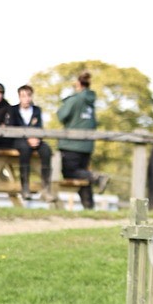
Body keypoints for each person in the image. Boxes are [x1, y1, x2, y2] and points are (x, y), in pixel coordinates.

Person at [57, 71, 106, 209]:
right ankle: (89, 207)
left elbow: (62, 116)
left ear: (78, 84)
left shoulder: (75, 99)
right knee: (83, 177)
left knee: (69, 172)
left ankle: (97, 177)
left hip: (71, 145)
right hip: (87, 146)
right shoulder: (91, 102)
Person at [8, 85, 52, 199]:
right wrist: (27, 138)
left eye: (28, 96)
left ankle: (46, 188)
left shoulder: (37, 110)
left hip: (35, 140)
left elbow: (39, 127)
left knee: (47, 150)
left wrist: (37, 139)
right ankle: (25, 188)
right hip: (19, 141)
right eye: (23, 96)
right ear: (19, 97)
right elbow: (12, 129)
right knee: (25, 149)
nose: (26, 98)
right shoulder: (13, 110)